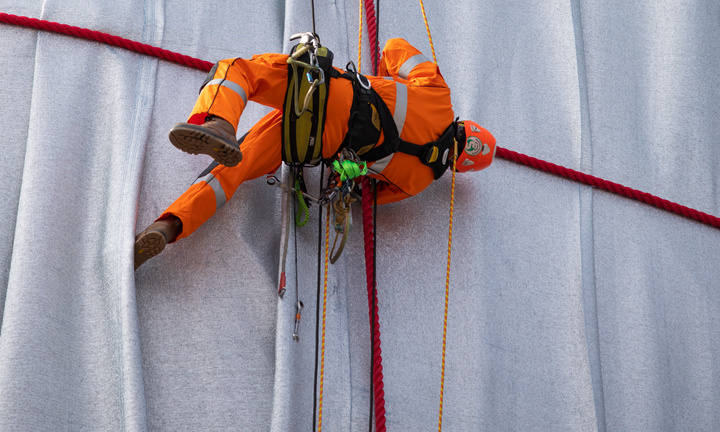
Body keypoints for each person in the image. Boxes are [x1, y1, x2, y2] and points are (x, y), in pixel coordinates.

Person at [134, 35, 495, 268]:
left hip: (320, 90)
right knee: (234, 169)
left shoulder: (439, 94)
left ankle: (216, 122)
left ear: (465, 126)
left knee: (241, 72)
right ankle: (169, 226)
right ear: (459, 168)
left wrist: (391, 84)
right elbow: (361, 194)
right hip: (310, 142)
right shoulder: (417, 183)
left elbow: (395, 47)